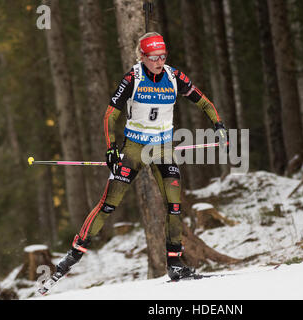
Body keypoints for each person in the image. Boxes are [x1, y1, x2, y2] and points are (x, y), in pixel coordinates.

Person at [52, 32, 228, 282]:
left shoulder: (174, 77)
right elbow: (110, 114)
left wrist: (218, 125)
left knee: (174, 204)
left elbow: (203, 102)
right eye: (154, 57)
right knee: (110, 202)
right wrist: (111, 147)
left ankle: (175, 263)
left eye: (163, 56)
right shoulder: (132, 78)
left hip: (163, 147)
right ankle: (73, 254)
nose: (159, 61)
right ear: (143, 56)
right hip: (135, 146)